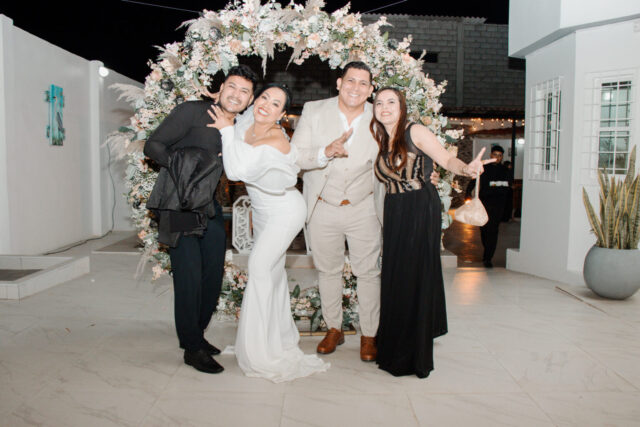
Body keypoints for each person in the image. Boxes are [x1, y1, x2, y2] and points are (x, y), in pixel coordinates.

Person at [291, 62, 439, 361]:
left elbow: (405, 148)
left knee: (369, 272)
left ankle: (370, 334)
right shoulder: (313, 110)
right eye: (350, 81)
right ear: (339, 82)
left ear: (371, 89)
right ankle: (334, 328)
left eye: (363, 83)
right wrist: (324, 152)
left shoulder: (380, 113)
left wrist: (427, 172)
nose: (355, 88)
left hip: (365, 207)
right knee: (328, 270)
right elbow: (295, 156)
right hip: (322, 205)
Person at [207, 84, 330, 382]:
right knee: (272, 275)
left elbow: (235, 172)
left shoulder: (275, 138)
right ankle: (279, 339)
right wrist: (223, 104)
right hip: (262, 212)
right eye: (264, 98)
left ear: (282, 114)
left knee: (259, 268)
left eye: (275, 104)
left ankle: (261, 352)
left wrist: (226, 131)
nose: (266, 105)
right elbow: (234, 117)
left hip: (285, 210)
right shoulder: (247, 122)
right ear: (255, 100)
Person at [143, 65, 258, 374]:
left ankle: (196, 333)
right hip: (178, 206)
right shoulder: (192, 112)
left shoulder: (239, 127)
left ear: (249, 100)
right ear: (220, 88)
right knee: (189, 276)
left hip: (209, 207)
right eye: (232, 86)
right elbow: (153, 145)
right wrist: (182, 167)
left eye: (244, 91)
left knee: (212, 275)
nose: (236, 94)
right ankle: (192, 347)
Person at [371, 87, 492, 378]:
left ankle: (413, 354)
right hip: (395, 208)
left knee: (413, 274)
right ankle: (393, 345)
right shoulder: (382, 137)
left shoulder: (415, 131)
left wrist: (468, 168)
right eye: (379, 102)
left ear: (402, 106)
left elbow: (447, 160)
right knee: (396, 274)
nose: (385, 107)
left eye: (391, 102)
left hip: (417, 206)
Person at [467, 145, 512, 268]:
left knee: (493, 230)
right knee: (484, 229)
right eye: (495, 155)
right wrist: (468, 193)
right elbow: (473, 180)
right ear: (491, 155)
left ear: (502, 157)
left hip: (498, 204)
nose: (497, 157)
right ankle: (487, 251)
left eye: (500, 155)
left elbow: (508, 188)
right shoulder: (484, 168)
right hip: (485, 203)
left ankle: (488, 257)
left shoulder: (505, 170)